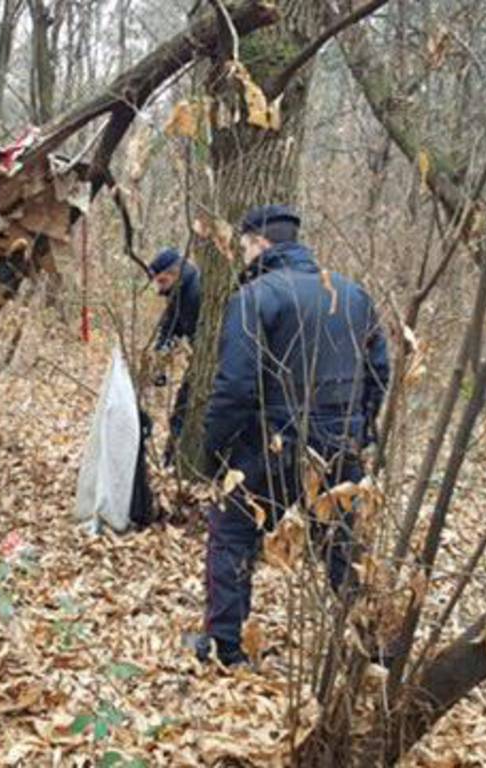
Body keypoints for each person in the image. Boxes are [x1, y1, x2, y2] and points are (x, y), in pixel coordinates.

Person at [191, 204, 390, 667]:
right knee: (342, 545)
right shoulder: (352, 294)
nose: (242, 255)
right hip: (342, 442)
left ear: (260, 242)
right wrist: (361, 428)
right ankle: (371, 650)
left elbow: (235, 385)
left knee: (233, 532)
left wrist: (214, 450)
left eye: (243, 246)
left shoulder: (255, 296)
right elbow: (379, 371)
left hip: (272, 443)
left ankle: (225, 648)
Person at [148, 248, 201, 463]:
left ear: (176, 273)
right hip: (199, 365)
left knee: (185, 415)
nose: (159, 289)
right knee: (180, 415)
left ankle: (176, 464)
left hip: (218, 367)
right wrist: (160, 361)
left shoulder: (198, 290)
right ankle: (170, 464)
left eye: (162, 281)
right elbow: (169, 328)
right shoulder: (178, 295)